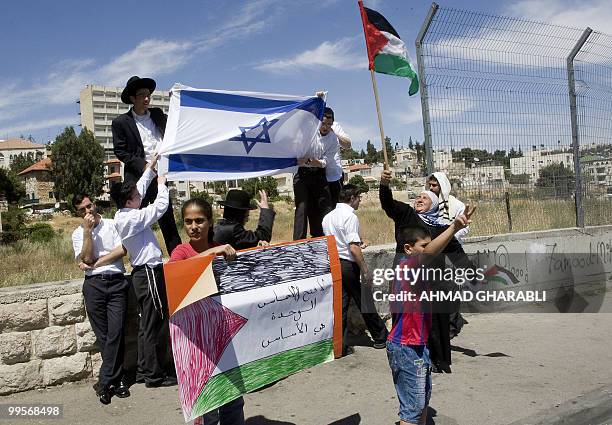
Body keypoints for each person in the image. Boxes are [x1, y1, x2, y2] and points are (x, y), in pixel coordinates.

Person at [380, 169, 475, 373]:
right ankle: (408, 356)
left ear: (434, 204)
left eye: (426, 197)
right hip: (407, 280)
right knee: (407, 320)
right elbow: (388, 204)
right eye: (419, 196)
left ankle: (436, 359)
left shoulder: (442, 228)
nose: (420, 198)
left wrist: (472, 274)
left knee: (435, 323)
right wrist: (384, 185)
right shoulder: (406, 215)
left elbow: (456, 252)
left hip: (432, 282)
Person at [386, 210, 472, 425]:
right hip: (406, 346)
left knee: (422, 400)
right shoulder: (407, 268)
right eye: (423, 246)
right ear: (408, 248)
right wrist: (454, 228)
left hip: (417, 345)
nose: (429, 249)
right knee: (412, 410)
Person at [169, 198, 242, 425]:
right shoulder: (181, 252)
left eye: (199, 221)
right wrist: (214, 253)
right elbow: (176, 272)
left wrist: (260, 250)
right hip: (197, 340)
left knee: (233, 397)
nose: (194, 226)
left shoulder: (221, 249)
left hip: (225, 333)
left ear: (210, 222)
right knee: (208, 404)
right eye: (188, 221)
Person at [110, 154, 176, 388]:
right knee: (153, 324)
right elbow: (159, 207)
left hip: (144, 273)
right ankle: (154, 375)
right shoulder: (132, 218)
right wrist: (162, 185)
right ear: (129, 201)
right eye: (136, 197)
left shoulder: (125, 212)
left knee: (146, 324)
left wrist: (151, 165)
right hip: (148, 273)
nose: (140, 196)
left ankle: (144, 370)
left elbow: (139, 186)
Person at [112, 75, 181, 255]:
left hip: (161, 175)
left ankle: (179, 258)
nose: (147, 98)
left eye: (148, 94)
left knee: (167, 219)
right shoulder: (120, 122)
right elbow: (121, 151)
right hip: (138, 179)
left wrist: (176, 99)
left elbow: (175, 124)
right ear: (132, 99)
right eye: (142, 95)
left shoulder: (158, 115)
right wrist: (144, 166)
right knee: (135, 221)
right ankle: (136, 259)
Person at [72, 194, 130, 405]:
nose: (88, 211)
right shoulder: (78, 234)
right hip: (93, 287)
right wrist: (88, 232)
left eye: (90, 206)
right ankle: (119, 379)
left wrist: (97, 263)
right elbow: (86, 257)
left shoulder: (112, 224)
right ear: (78, 213)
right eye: (83, 210)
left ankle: (104, 382)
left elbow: (122, 250)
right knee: (103, 336)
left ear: (95, 204)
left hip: (116, 282)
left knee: (116, 332)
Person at [322, 184, 388, 356]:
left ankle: (339, 345)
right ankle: (381, 337)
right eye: (359, 197)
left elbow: (338, 242)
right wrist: (365, 269)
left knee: (341, 305)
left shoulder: (327, 217)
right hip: (348, 265)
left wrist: (358, 244)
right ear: (351, 198)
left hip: (334, 264)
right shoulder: (350, 217)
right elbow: (352, 248)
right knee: (364, 300)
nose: (360, 201)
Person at [293, 107, 337, 240]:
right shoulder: (308, 132)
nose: (326, 127)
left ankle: (328, 239)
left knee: (326, 207)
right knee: (302, 208)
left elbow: (325, 162)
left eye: (329, 124)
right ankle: (298, 242)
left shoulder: (333, 139)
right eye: (323, 123)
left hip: (319, 174)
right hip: (302, 173)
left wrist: (312, 161)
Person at [425, 172, 469, 243]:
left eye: (434, 185)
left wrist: (448, 237)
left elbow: (465, 228)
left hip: (452, 245)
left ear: (443, 186)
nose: (431, 188)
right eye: (429, 185)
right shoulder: (425, 204)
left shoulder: (457, 205)